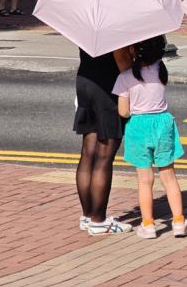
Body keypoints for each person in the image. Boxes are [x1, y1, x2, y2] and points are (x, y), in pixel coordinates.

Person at [112, 35, 187, 239]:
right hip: (163, 123)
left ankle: (148, 225)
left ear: (133, 50)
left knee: (145, 180)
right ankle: (179, 222)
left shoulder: (126, 77)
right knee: (169, 177)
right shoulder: (161, 71)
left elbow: (123, 112)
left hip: (139, 126)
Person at [75, 47, 133, 235]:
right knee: (104, 156)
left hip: (86, 81)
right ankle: (98, 220)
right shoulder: (115, 26)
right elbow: (122, 60)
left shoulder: (88, 20)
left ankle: (87, 215)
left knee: (88, 153)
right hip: (108, 88)